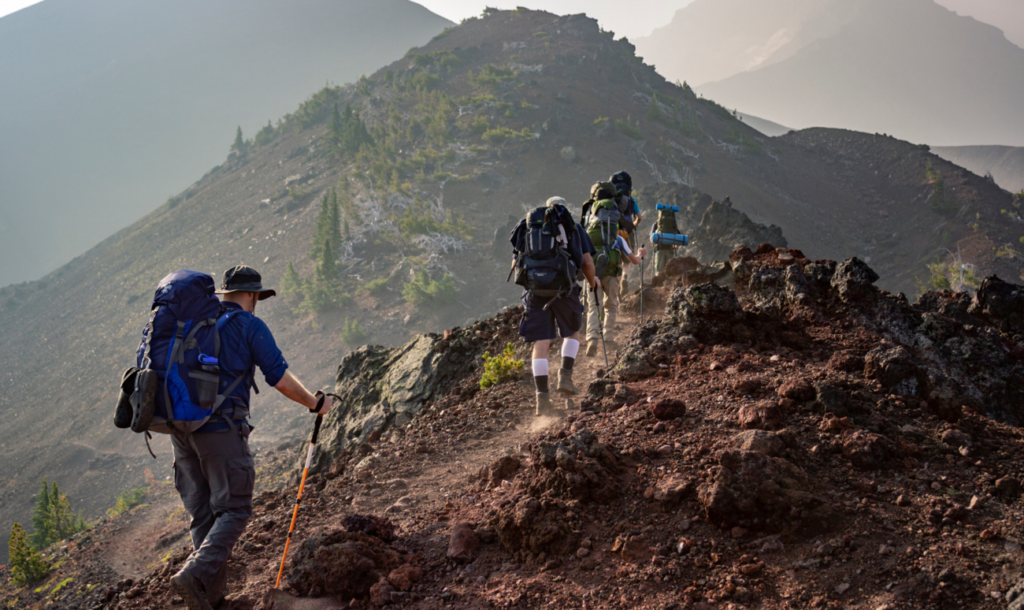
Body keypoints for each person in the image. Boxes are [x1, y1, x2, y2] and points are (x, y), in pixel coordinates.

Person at [169, 265, 331, 610]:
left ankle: (209, 600)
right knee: (235, 510)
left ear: (224, 293)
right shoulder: (248, 325)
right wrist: (316, 403)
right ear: (254, 295)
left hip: (180, 432)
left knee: (204, 516)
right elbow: (280, 378)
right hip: (220, 430)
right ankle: (194, 576)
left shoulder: (194, 323)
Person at [510, 197, 598, 416]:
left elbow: (515, 264)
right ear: (564, 208)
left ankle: (542, 400)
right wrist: (592, 282)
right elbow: (587, 263)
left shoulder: (527, 227)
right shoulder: (573, 227)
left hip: (535, 292)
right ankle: (565, 376)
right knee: (572, 334)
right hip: (564, 289)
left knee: (541, 343)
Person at [585, 229, 646, 356]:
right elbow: (634, 261)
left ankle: (592, 339)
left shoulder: (588, 234)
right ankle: (608, 339)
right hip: (612, 276)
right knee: (611, 306)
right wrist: (640, 254)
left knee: (594, 306)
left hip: (593, 275)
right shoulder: (618, 239)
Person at [610, 171, 642, 296]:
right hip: (627, 233)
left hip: (614, 233)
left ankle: (617, 285)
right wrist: (633, 225)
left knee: (617, 262)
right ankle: (625, 279)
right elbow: (639, 217)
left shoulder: (611, 200)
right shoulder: (631, 200)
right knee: (626, 262)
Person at [652, 204, 681, 274]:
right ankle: (667, 285)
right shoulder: (673, 224)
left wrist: (654, 245)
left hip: (660, 249)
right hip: (670, 250)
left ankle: (659, 284)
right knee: (669, 272)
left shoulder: (657, 224)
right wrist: (675, 246)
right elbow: (678, 238)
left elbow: (652, 238)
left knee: (659, 272)